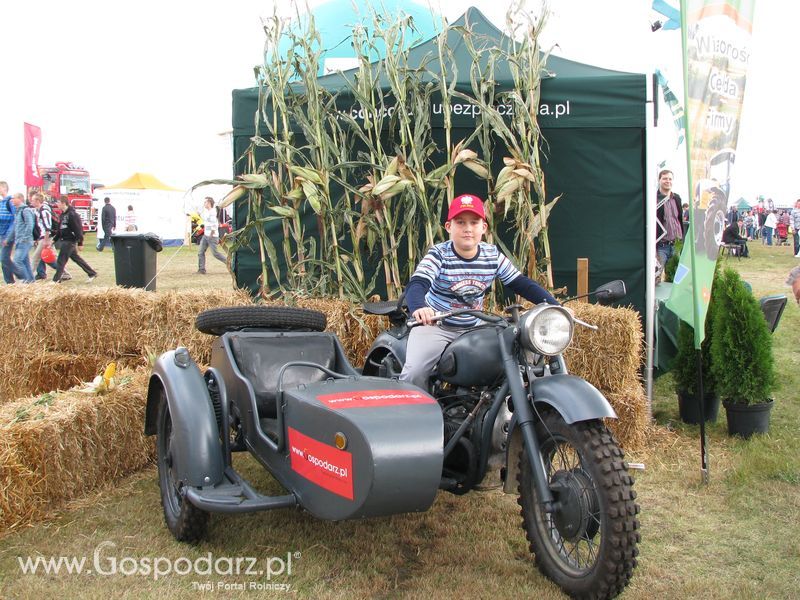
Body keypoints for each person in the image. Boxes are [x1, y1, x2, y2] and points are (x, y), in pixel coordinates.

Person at [399, 194, 559, 390]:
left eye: (474, 222)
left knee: (518, 356)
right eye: (460, 222)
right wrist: (420, 308)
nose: (467, 229)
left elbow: (521, 283)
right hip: (438, 326)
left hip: (476, 325)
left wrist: (555, 306)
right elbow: (417, 284)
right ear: (449, 227)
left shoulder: (491, 255)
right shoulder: (439, 254)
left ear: (483, 228)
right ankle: (411, 415)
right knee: (415, 372)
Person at [51, 196, 97, 283]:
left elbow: (78, 229)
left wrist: (80, 243)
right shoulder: (62, 215)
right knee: (77, 259)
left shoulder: (72, 215)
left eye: (58, 202)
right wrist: (54, 240)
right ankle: (92, 273)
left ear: (63, 203)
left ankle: (56, 280)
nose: (57, 204)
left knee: (61, 260)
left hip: (70, 241)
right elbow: (60, 230)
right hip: (64, 240)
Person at [29, 192, 71, 281]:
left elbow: (47, 227)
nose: (31, 202)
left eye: (32, 200)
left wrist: (45, 240)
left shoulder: (44, 211)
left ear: (37, 201)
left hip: (46, 237)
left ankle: (28, 278)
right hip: (44, 237)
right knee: (49, 257)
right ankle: (64, 273)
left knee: (36, 258)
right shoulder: (39, 210)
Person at [2, 193, 36, 283]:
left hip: (24, 241)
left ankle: (25, 280)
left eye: (14, 198)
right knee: (25, 263)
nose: (11, 200)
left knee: (17, 260)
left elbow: (30, 225)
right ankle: (31, 281)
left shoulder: (25, 210)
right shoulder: (18, 211)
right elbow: (15, 228)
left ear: (20, 199)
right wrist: (8, 239)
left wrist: (24, 238)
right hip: (19, 241)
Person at [655, 169, 684, 267]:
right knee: (656, 277)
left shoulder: (677, 198)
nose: (668, 181)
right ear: (659, 180)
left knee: (675, 278)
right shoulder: (654, 199)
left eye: (670, 179)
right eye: (665, 179)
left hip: (676, 245)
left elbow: (679, 219)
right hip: (661, 247)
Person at [197, 197, 226, 274]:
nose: (204, 204)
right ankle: (201, 269)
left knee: (215, 254)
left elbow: (214, 224)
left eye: (205, 202)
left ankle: (230, 263)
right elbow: (205, 219)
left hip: (212, 236)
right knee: (200, 252)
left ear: (209, 203)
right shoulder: (207, 212)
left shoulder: (213, 212)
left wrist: (211, 234)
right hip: (206, 236)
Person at [0, 181, 15, 283]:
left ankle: (10, 282)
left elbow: (15, 219)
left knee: (4, 258)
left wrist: (8, 236)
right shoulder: (1, 202)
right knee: (5, 259)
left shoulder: (10, 201)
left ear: (4, 188)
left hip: (7, 236)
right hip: (1, 234)